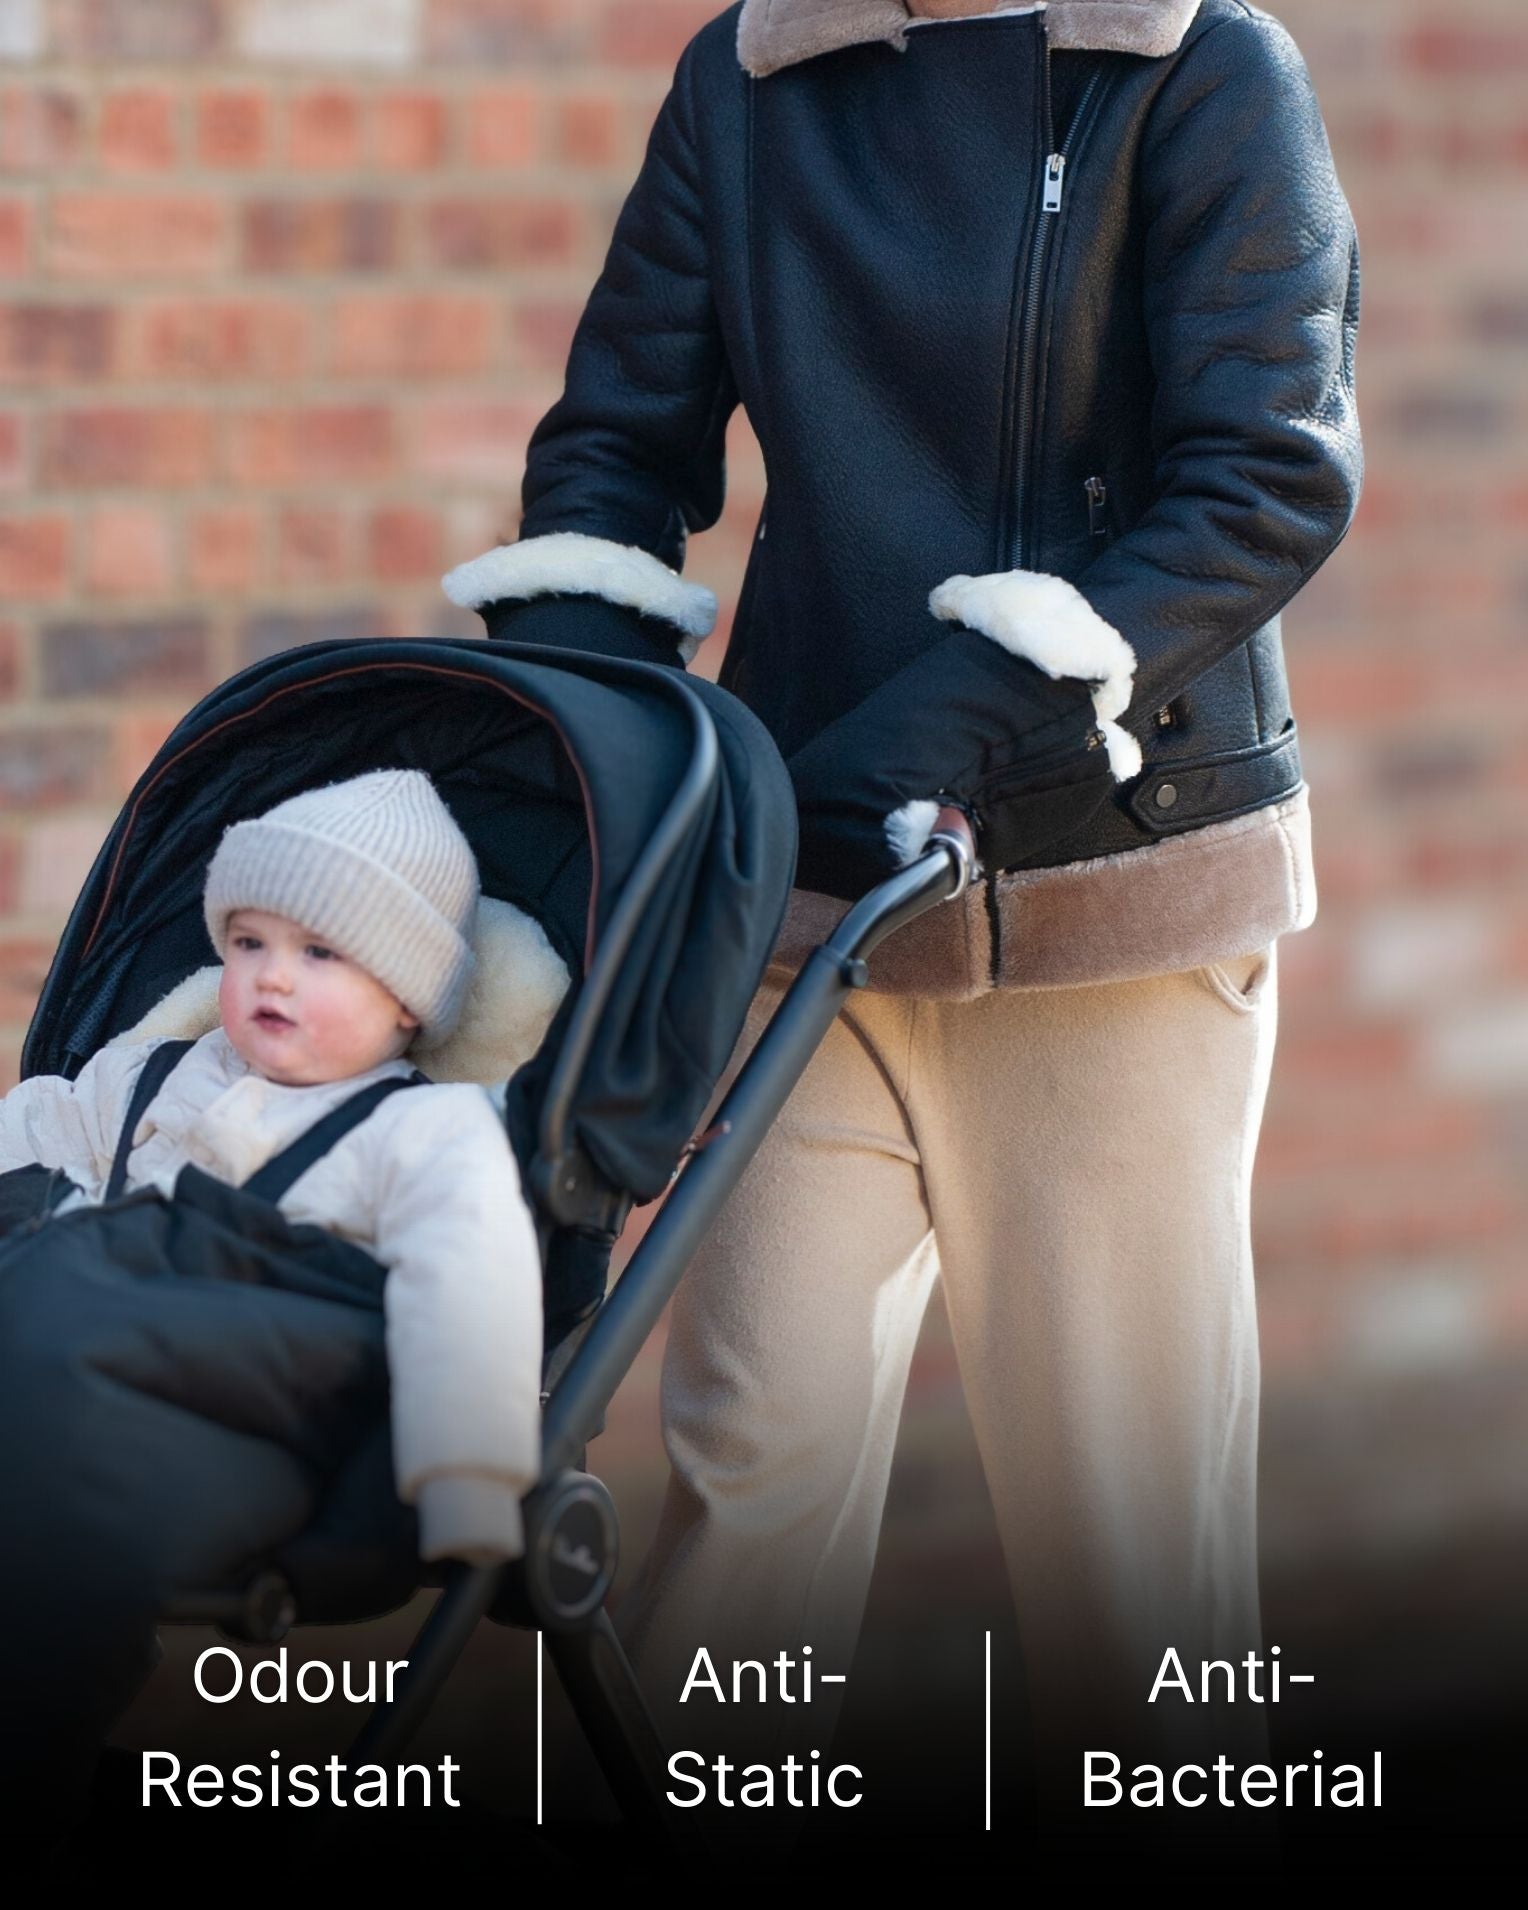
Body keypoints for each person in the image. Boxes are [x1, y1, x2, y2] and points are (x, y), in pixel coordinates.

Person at [441, 0, 1363, 1844]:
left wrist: (941, 723)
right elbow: (618, 438)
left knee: (1124, 1547)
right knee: (743, 1469)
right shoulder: (748, 76)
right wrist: (598, 723)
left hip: (1105, 904)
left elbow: (1264, 473)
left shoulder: (1194, 68)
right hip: (816, 900)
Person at [0, 770, 543, 1823]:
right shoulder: (150, 1071)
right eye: (248, 941)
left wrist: (466, 1472)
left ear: (406, 994)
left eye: (321, 951)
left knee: (57, 1504)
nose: (271, 977)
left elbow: (467, 1281)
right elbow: (39, 1128)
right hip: (92, 1348)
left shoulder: (427, 1132)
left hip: (265, 1415)